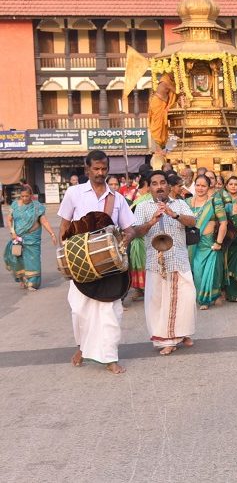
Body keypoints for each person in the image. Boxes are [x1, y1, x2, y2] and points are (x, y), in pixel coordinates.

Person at [58, 150, 137, 374]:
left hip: (109, 264)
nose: (100, 173)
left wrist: (126, 238)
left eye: (103, 169)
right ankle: (82, 347)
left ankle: (110, 357)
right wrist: (65, 254)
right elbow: (64, 225)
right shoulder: (74, 193)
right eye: (96, 169)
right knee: (79, 310)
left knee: (110, 312)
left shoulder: (117, 198)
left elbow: (129, 228)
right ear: (87, 169)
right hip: (80, 261)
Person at [132, 171, 197, 355]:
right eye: (154, 183)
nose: (159, 186)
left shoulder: (179, 203)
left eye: (162, 182)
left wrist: (174, 215)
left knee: (187, 298)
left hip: (178, 260)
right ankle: (168, 339)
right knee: (158, 302)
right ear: (150, 187)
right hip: (156, 262)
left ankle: (180, 333)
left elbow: (192, 221)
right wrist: (152, 221)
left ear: (168, 186)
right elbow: (136, 231)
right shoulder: (143, 207)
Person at [4, 185, 57, 290]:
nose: (24, 198)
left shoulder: (37, 207)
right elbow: (9, 219)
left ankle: (33, 282)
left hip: (33, 238)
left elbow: (44, 221)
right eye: (22, 196)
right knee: (18, 259)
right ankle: (23, 279)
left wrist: (52, 233)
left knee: (33, 260)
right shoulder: (15, 205)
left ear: (31, 196)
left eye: (26, 196)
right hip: (18, 238)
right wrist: (12, 232)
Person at [188, 174, 227, 309]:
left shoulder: (214, 202)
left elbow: (223, 223)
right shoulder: (187, 202)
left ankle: (206, 299)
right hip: (193, 244)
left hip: (209, 243)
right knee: (197, 272)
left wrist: (219, 242)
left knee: (211, 271)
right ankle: (202, 296)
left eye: (203, 185)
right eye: (197, 185)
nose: (200, 188)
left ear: (209, 186)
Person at [128, 175, 152, 301]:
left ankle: (147, 290)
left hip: (144, 235)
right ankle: (139, 289)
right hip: (134, 234)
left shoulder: (148, 199)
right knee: (136, 262)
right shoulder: (134, 196)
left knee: (144, 262)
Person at [148, 72, 177, 149]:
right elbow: (176, 91)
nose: (175, 75)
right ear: (168, 72)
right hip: (157, 102)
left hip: (160, 103)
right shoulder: (165, 81)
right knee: (158, 125)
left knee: (161, 125)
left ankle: (161, 145)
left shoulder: (168, 80)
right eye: (173, 73)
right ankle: (157, 145)